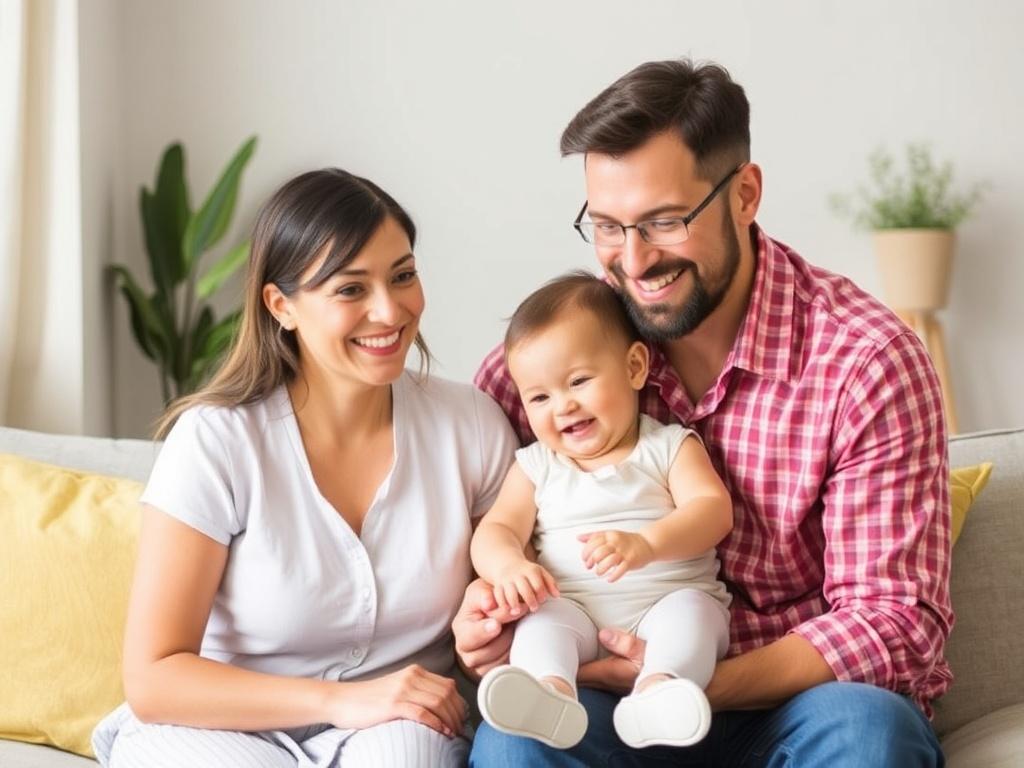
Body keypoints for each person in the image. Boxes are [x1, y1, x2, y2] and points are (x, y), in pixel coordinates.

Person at [456, 59, 951, 767]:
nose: (632, 261)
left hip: (796, 703)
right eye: (605, 226)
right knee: (514, 746)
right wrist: (482, 621)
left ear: (745, 194)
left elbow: (894, 621)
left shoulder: (866, 362)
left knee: (869, 734)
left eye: (664, 221)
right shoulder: (538, 373)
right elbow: (486, 547)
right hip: (600, 698)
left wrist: (694, 684)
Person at [91, 168, 517, 768]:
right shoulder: (217, 440)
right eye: (350, 289)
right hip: (219, 725)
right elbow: (155, 678)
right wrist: (341, 700)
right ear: (281, 305)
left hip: (392, 724)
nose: (389, 310)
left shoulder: (470, 425)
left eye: (403, 275)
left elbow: (506, 587)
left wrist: (491, 631)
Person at [470, 272, 733, 751]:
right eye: (540, 397)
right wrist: (510, 566)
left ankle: (659, 692)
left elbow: (712, 511)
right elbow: (497, 529)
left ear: (635, 367)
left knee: (694, 618)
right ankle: (550, 693)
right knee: (540, 625)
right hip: (574, 609)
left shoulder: (667, 447)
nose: (564, 406)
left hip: (666, 603)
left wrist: (648, 543)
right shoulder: (537, 466)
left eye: (579, 381)